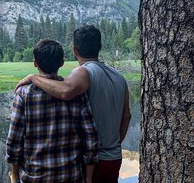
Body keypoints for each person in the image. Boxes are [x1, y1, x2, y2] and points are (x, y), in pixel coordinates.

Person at [16, 25, 131, 183]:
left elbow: (65, 91)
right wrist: (115, 144)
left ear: (75, 50)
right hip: (114, 157)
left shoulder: (83, 72)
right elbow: (127, 116)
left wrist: (33, 78)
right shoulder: (119, 77)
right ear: (100, 47)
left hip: (92, 160)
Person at [6, 39, 99, 183]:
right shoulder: (76, 92)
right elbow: (90, 137)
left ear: (35, 63)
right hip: (71, 176)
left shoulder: (23, 94)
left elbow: (14, 140)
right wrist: (88, 177)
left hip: (34, 178)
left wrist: (15, 175)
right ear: (62, 63)